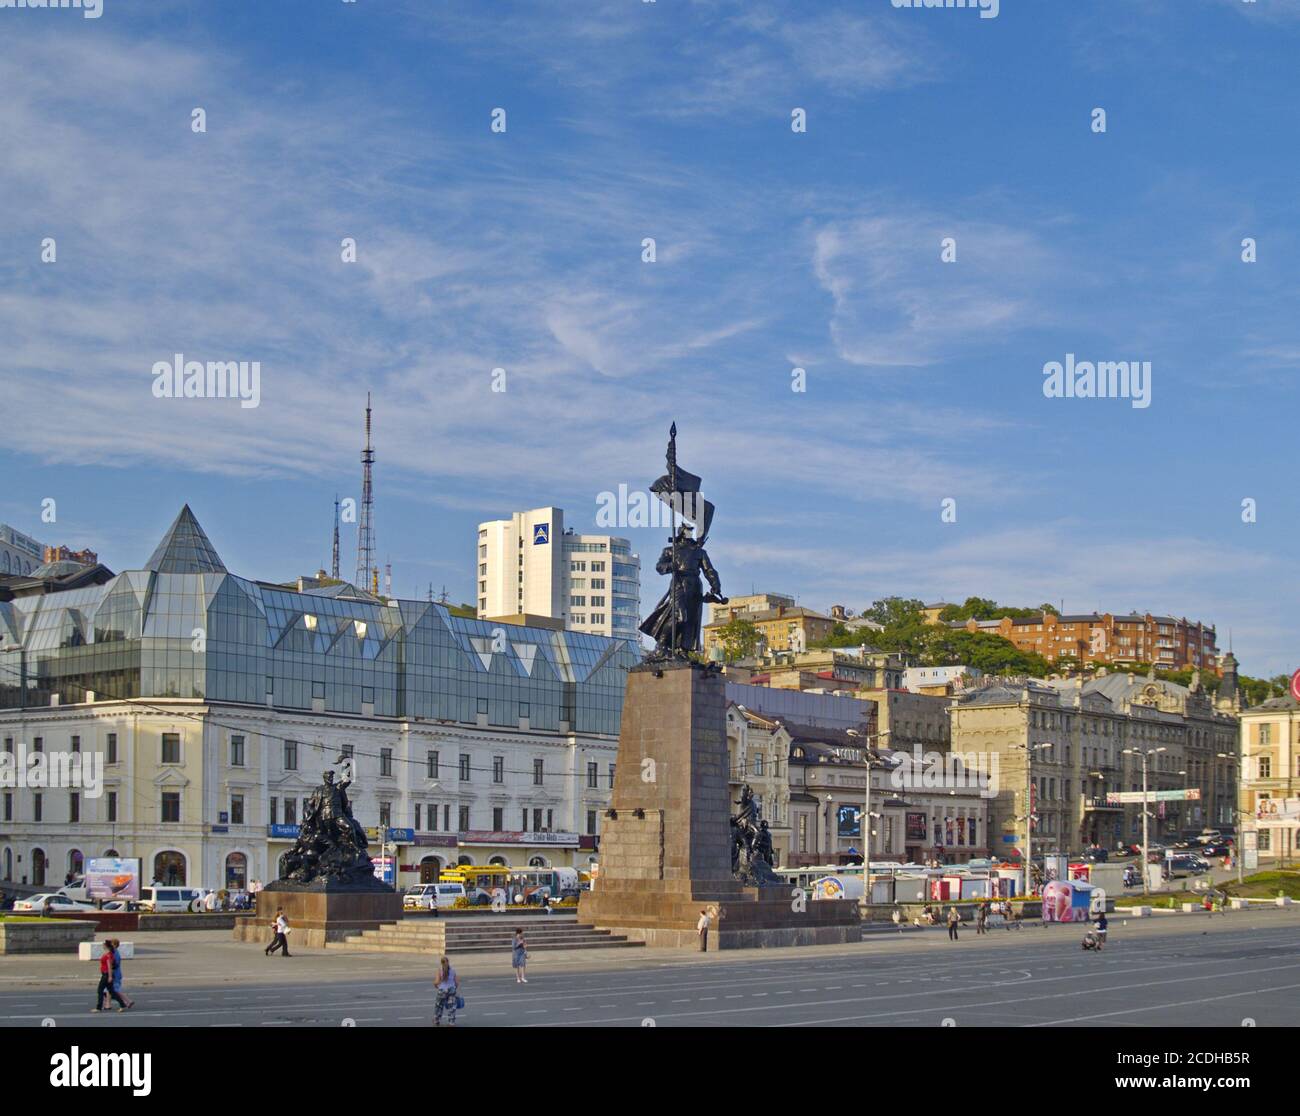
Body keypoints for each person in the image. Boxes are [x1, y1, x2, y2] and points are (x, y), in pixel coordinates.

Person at [94, 942, 127, 1012]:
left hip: (106, 975)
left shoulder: (108, 955)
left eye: (104, 945)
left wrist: (110, 976)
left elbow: (109, 966)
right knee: (112, 992)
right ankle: (123, 1005)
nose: (102, 946)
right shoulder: (108, 954)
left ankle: (98, 1008)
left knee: (100, 990)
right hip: (106, 974)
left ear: (107, 947)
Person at [434, 955, 459, 1026]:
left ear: (441, 963)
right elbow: (457, 983)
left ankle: (437, 1020)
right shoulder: (453, 970)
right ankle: (451, 1022)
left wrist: (436, 986)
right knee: (452, 1007)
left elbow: (436, 982)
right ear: (448, 962)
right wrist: (454, 988)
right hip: (451, 990)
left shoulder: (439, 971)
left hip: (442, 990)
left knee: (439, 1006)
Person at [108, 940, 134, 1009]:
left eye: (111, 944)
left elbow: (114, 964)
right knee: (109, 990)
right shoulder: (115, 952)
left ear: (115, 945)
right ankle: (108, 1004)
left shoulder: (115, 953)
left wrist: (110, 972)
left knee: (116, 990)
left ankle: (128, 1001)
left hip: (115, 974)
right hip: (116, 973)